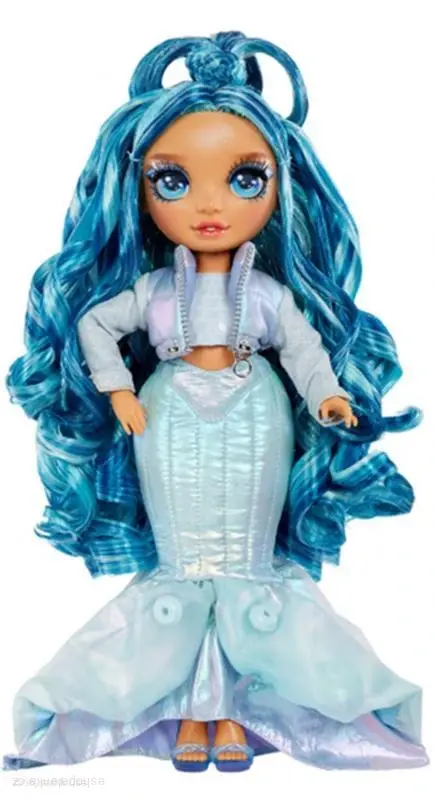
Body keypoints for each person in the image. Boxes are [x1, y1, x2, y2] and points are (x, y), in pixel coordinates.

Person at [3, 30, 428, 773]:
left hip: (255, 413)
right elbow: (95, 325)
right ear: (136, 191)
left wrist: (326, 396)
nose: (208, 204)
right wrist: (118, 389)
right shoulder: (152, 290)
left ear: (280, 188)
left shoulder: (265, 293)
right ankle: (188, 714)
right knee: (184, 560)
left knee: (243, 558)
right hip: (166, 415)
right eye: (172, 180)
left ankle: (231, 713)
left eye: (244, 179)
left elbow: (302, 349)